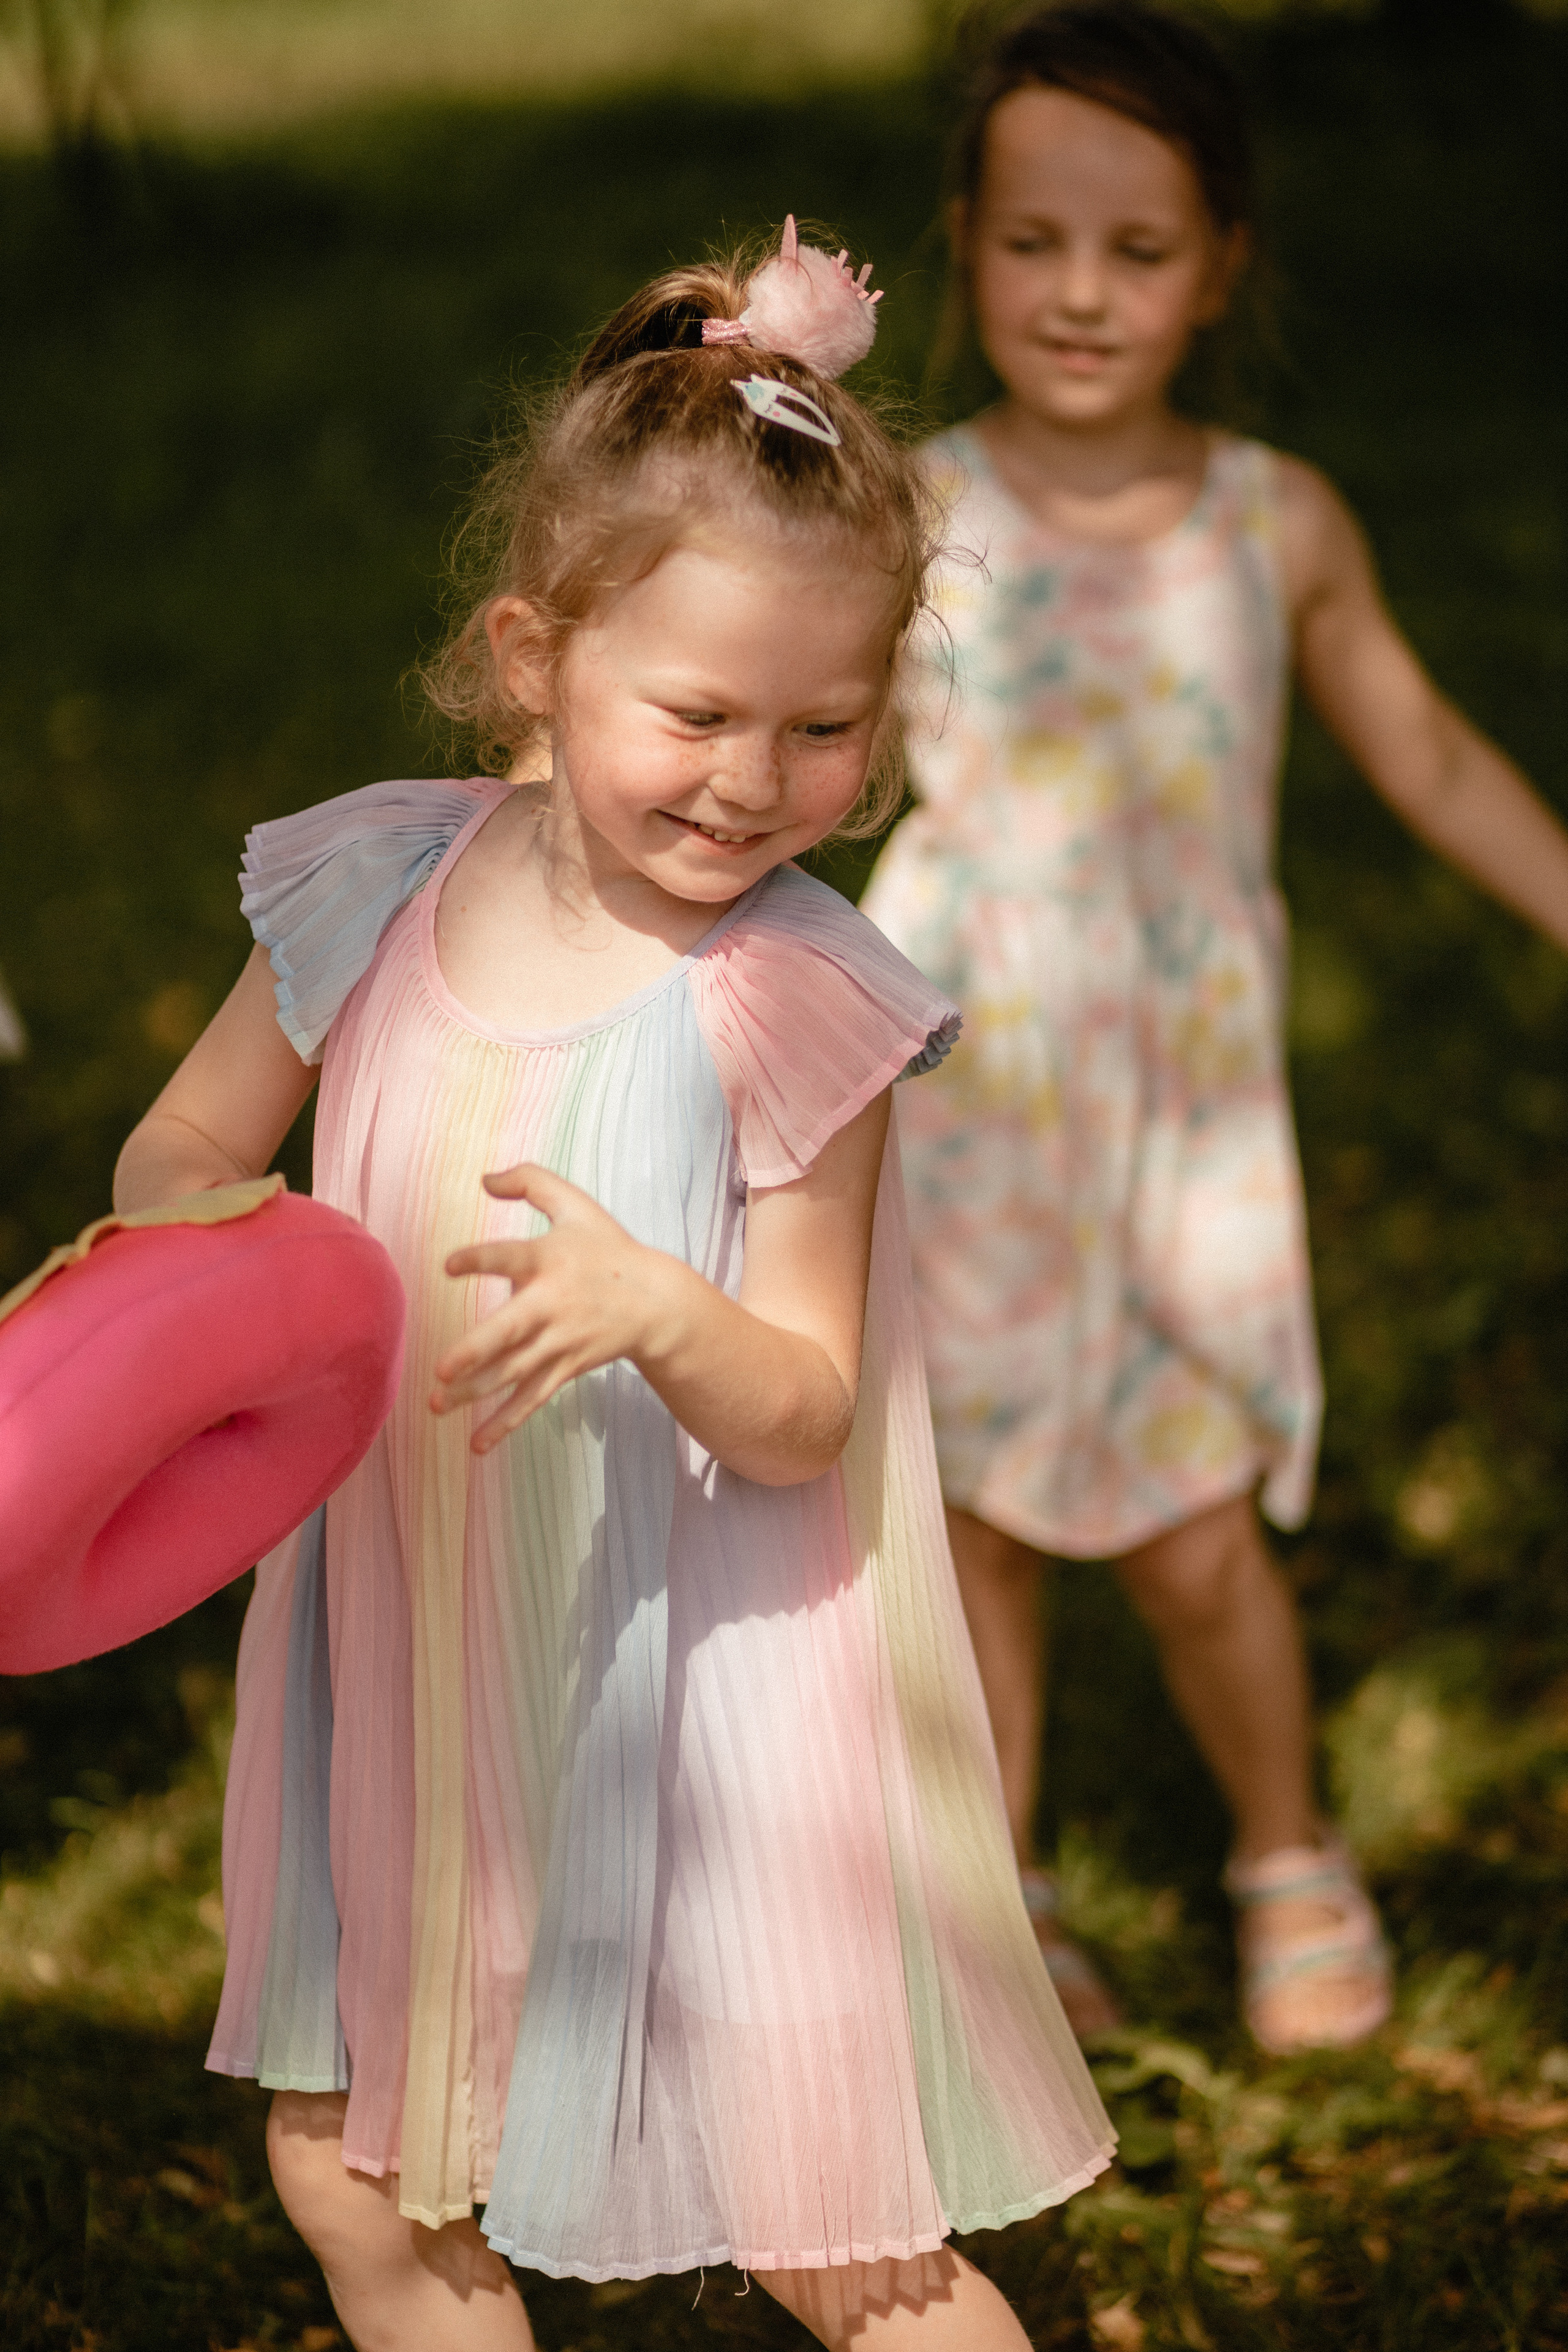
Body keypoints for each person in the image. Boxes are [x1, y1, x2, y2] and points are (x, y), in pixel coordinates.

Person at [112, 225, 1115, 2352]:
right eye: (697, 714)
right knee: (353, 2167)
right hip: (416, 1630)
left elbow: (809, 1408)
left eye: (825, 728)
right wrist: (213, 1282)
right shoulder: (381, 880)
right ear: (529, 658)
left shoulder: (793, 999)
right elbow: (182, 1151)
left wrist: (662, 1307)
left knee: (843, 2240)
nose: (755, 783)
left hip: (700, 1699)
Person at [861, 0, 1568, 2054]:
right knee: (975, 1521)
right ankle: (1006, 1888)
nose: (1081, 293)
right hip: (965, 1091)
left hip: (1184, 1125)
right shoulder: (908, 511)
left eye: (1140, 250)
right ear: (967, 238)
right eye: (1032, 241)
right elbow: (786, 756)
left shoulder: (1278, 521)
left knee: (1187, 1531)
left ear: (1223, 261)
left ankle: (1283, 1848)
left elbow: (1427, 755)